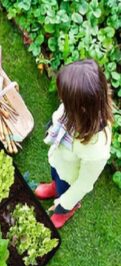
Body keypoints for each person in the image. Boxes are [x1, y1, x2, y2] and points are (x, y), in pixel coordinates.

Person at [34, 59, 113, 229]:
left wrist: (64, 202)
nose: (61, 99)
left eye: (65, 99)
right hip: (60, 161)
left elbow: (83, 184)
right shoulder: (76, 111)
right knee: (56, 175)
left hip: (71, 179)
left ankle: (66, 211)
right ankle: (54, 187)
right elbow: (60, 114)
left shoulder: (97, 149)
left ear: (81, 108)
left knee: (65, 190)